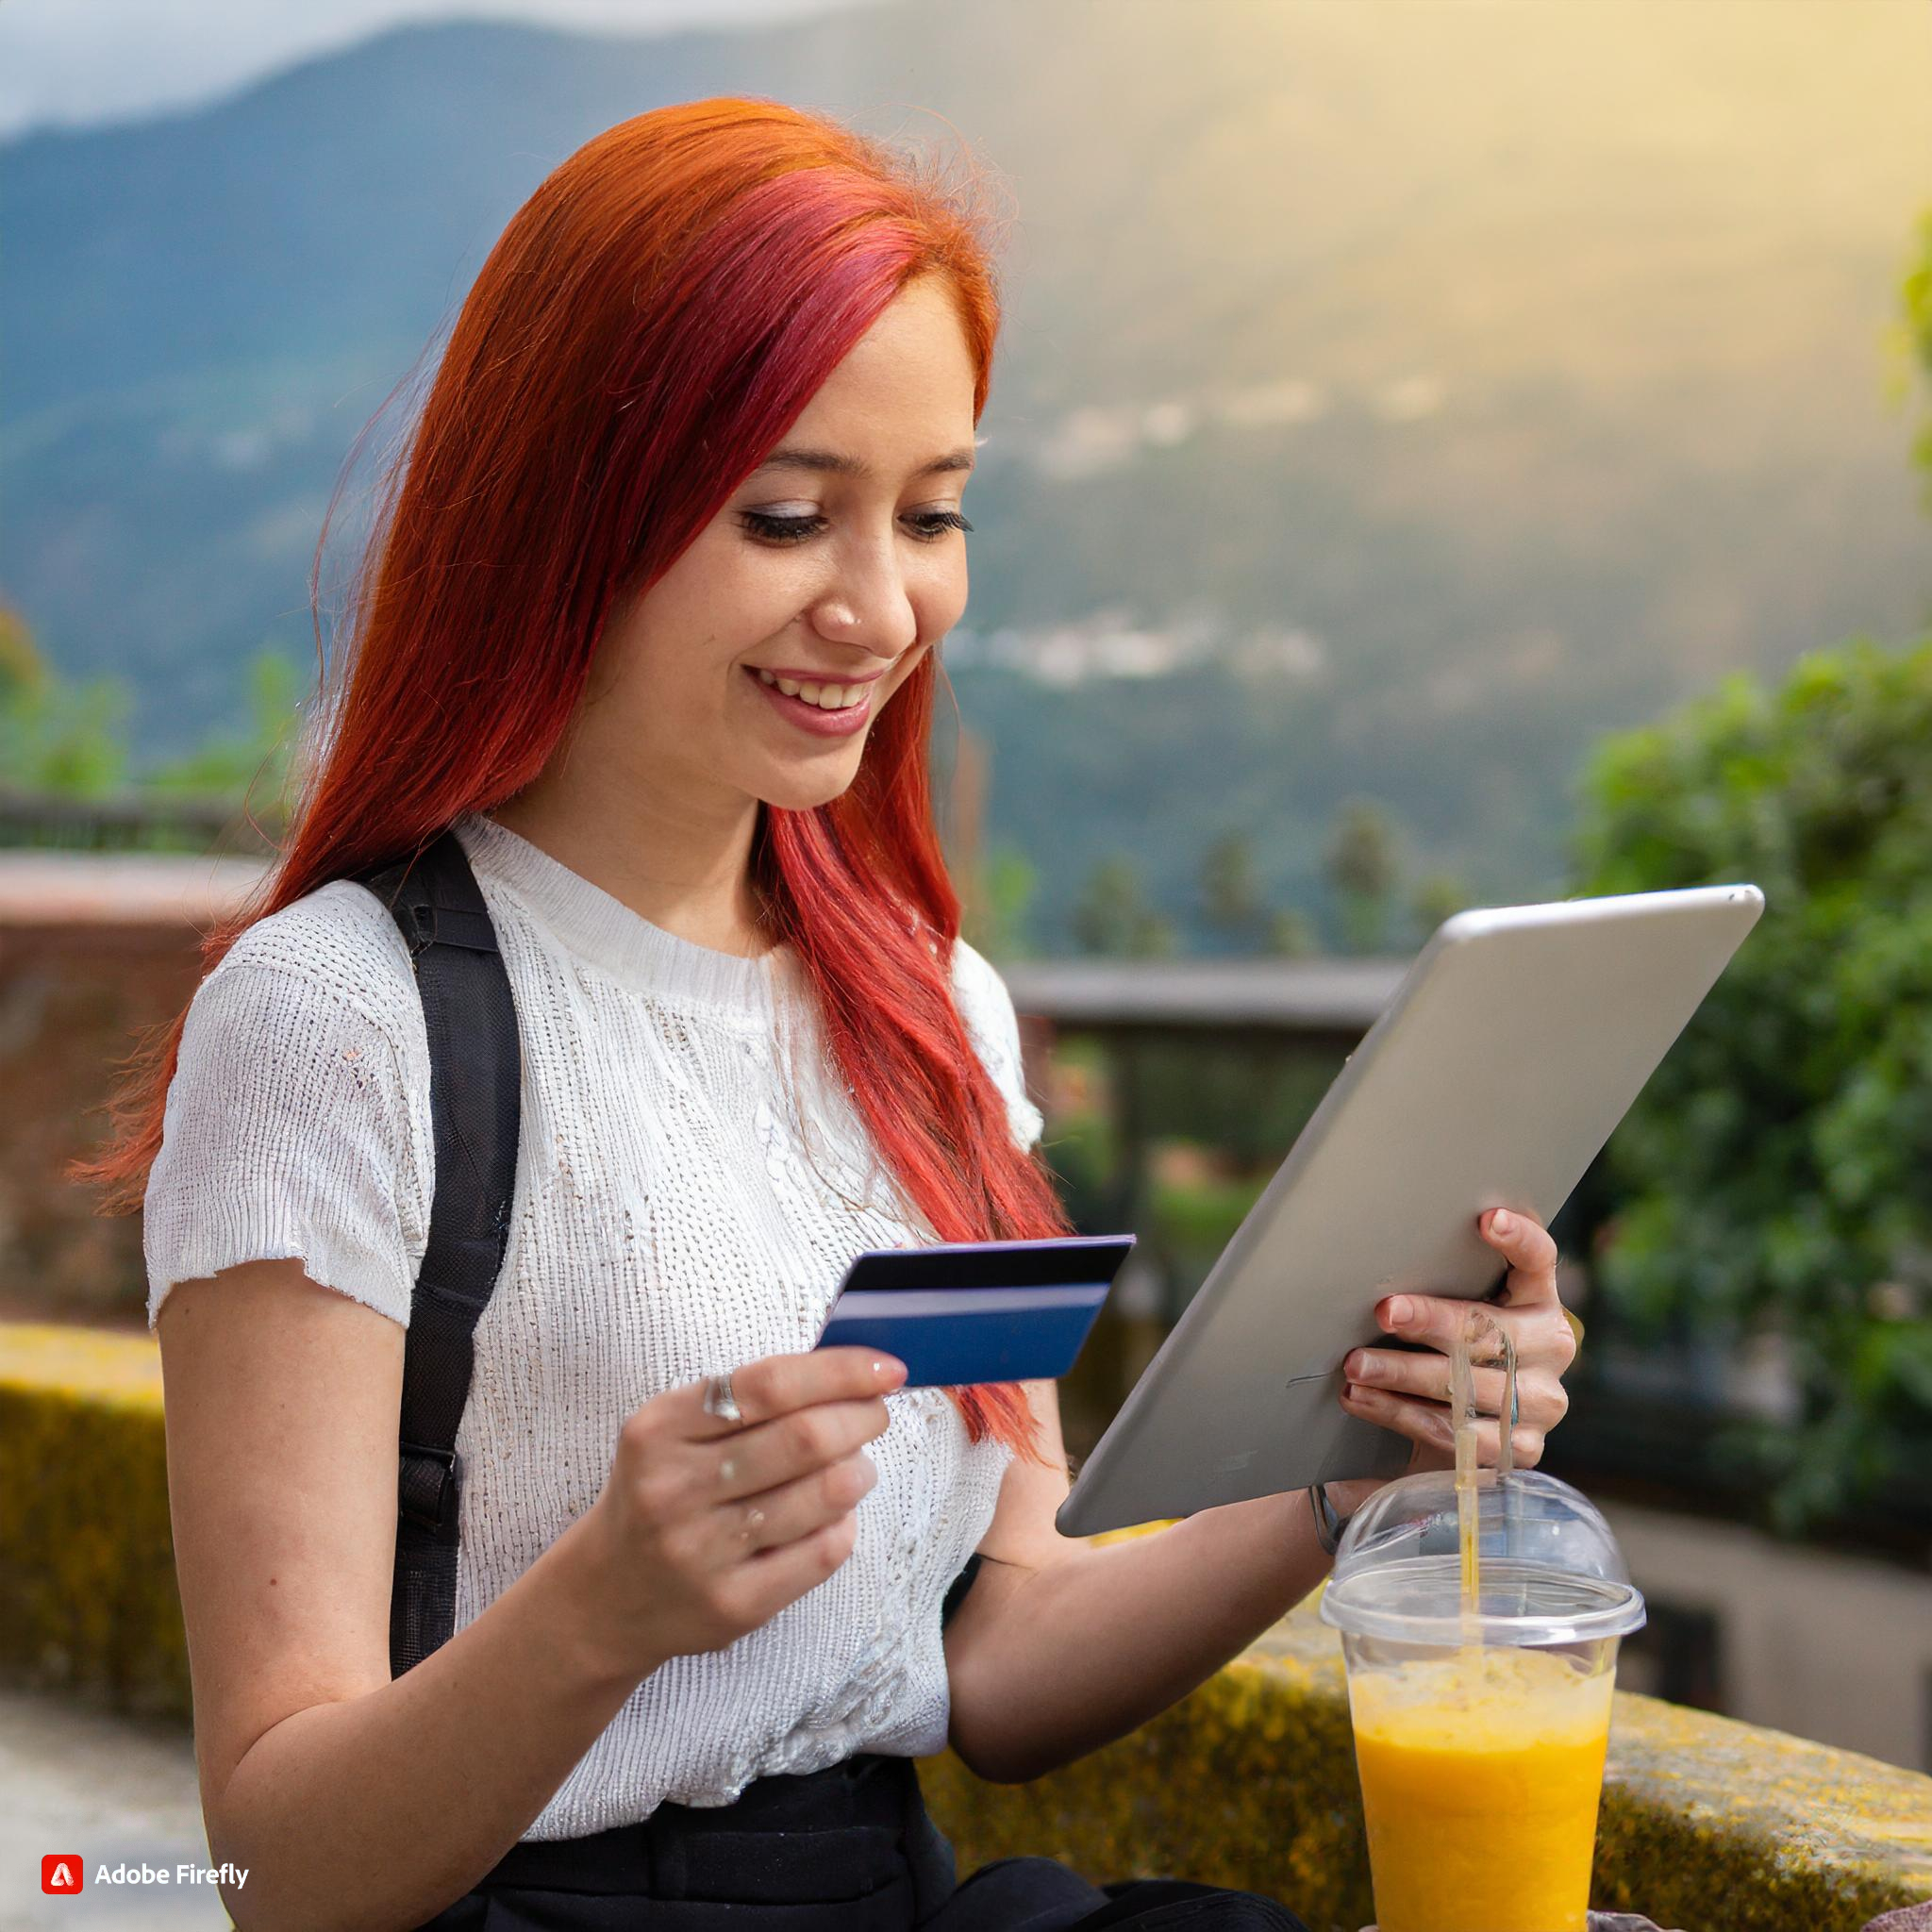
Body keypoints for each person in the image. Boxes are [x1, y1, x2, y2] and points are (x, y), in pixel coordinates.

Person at [83, 97, 1580, 1930]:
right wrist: (596, 1611)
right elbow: (275, 1867)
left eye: (934, 513)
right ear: (574, 509)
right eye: (789, 515)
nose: (881, 607)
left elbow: (1001, 1654)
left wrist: (1352, 1475)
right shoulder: (338, 1021)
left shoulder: (928, 1006)